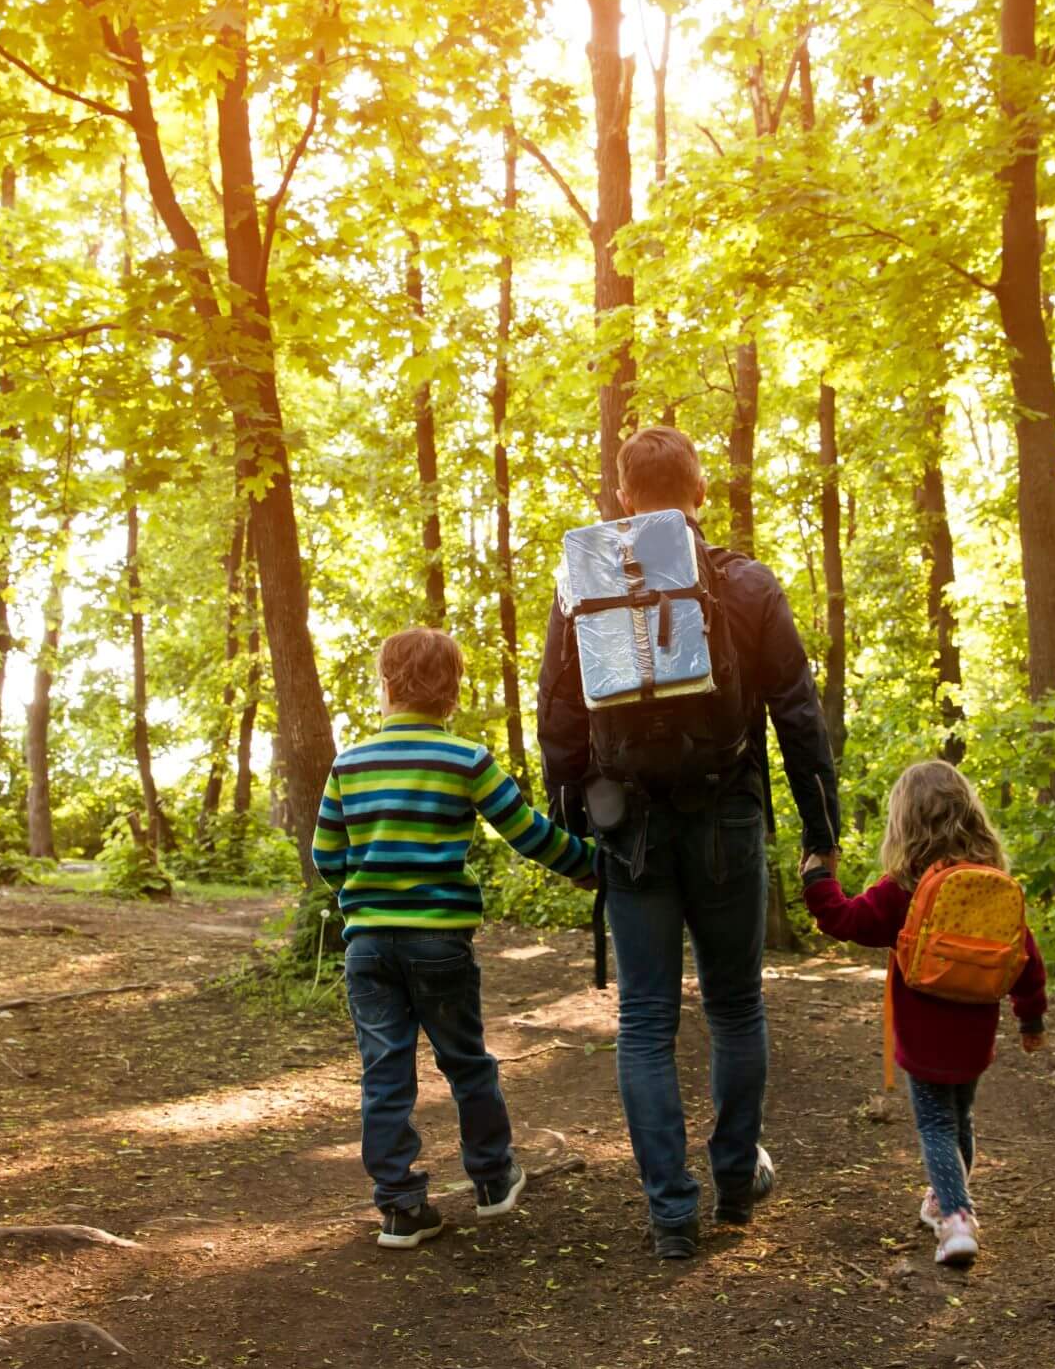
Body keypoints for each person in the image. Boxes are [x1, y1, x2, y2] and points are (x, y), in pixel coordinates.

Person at [538, 426, 842, 1260]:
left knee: (644, 1022)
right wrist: (824, 835)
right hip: (728, 819)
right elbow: (798, 715)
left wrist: (576, 829)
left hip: (629, 831)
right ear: (700, 493)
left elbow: (559, 723)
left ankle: (671, 1215)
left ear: (625, 498)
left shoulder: (581, 589)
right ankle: (735, 1190)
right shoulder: (743, 583)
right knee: (736, 1005)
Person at [314, 627, 596, 1249]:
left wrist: (362, 898)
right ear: (452, 692)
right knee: (467, 1061)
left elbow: (325, 854)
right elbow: (527, 832)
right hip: (440, 944)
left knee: (384, 1073)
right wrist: (589, 864)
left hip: (368, 948)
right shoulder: (467, 760)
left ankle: (400, 1209)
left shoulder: (349, 763)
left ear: (386, 686)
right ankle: (493, 1180)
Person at [801, 760, 1047, 1267]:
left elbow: (844, 919)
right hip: (976, 1027)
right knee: (959, 1118)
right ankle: (942, 1199)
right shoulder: (992, 884)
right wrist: (1030, 1017)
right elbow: (1025, 954)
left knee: (934, 1124)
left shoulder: (905, 887)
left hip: (924, 1029)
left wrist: (818, 879)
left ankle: (957, 1218)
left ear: (904, 823)